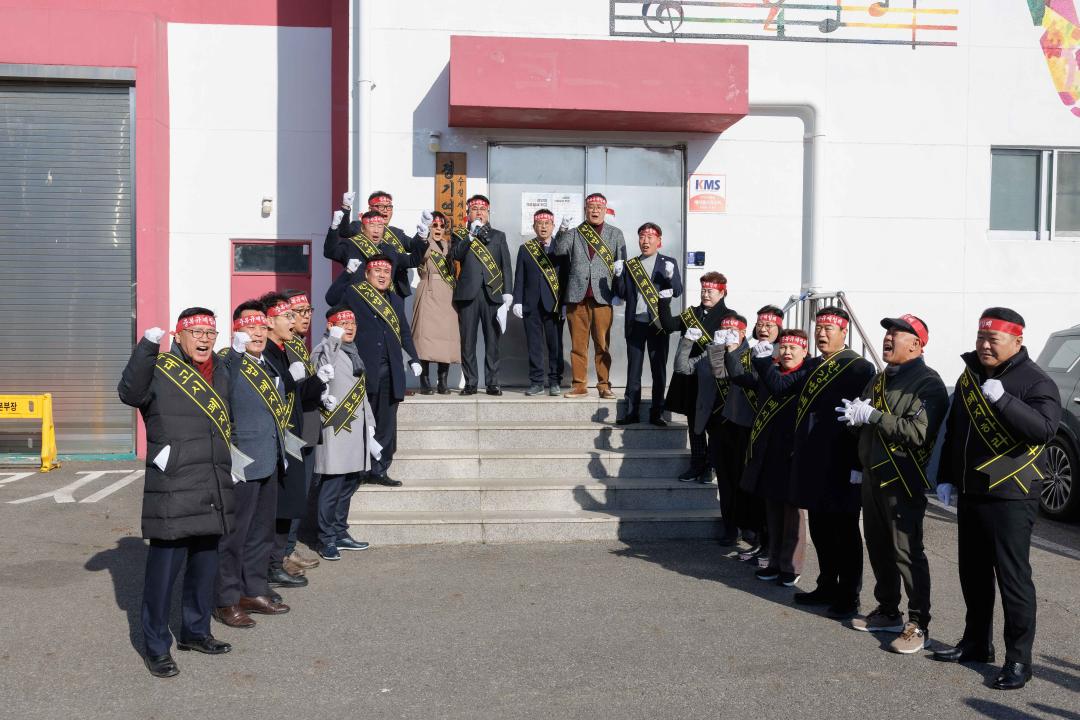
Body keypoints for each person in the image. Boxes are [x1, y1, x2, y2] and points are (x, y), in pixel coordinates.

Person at [931, 308, 1061, 690]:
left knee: (1012, 578)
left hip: (1011, 494)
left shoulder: (1036, 381)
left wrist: (1004, 401)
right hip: (971, 492)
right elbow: (955, 430)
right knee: (972, 572)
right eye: (980, 338)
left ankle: (1019, 659)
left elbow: (1044, 430)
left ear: (1017, 341)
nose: (984, 346)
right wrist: (945, 477)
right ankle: (975, 642)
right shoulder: (970, 374)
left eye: (993, 340)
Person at [118, 308, 236, 678]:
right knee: (162, 575)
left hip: (214, 483)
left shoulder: (221, 371)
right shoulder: (160, 368)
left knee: (204, 568)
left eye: (210, 333)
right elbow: (129, 392)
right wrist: (146, 347)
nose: (204, 339)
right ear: (178, 335)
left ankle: (195, 632)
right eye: (196, 331)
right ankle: (155, 647)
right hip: (175, 486)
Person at [754, 308, 876, 618]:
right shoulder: (813, 365)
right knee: (821, 529)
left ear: (843, 333)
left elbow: (859, 421)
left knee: (845, 532)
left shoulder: (858, 368)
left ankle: (849, 595)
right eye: (819, 327)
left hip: (841, 463)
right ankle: (826, 585)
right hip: (812, 463)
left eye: (828, 329)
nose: (822, 333)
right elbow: (781, 387)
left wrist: (856, 466)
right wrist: (762, 358)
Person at [837, 313, 948, 652]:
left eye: (898, 334)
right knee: (878, 544)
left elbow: (917, 432)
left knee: (906, 551)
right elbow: (867, 420)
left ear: (916, 344)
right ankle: (887, 611)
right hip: (873, 475)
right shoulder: (880, 379)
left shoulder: (929, 383)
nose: (888, 338)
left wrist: (872, 416)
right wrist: (857, 421)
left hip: (903, 478)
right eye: (887, 332)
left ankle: (918, 623)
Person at [213, 302, 291, 629]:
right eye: (250, 327)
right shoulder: (227, 363)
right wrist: (233, 354)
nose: (257, 333)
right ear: (237, 332)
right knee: (234, 535)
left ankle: (254, 589)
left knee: (261, 532)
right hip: (241, 462)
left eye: (262, 327)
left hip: (270, 458)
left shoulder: (268, 362)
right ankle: (226, 599)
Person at [258, 293, 329, 592]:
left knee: (292, 498)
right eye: (289, 315)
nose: (295, 319)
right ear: (269, 321)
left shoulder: (290, 347)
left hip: (296, 428)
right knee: (282, 502)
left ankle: (279, 558)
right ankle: (275, 562)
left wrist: (319, 383)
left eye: (298, 313)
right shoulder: (268, 351)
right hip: (281, 435)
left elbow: (299, 391)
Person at [339, 255, 422, 486]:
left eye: (387, 271)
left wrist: (413, 358)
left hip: (391, 370)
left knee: (386, 424)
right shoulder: (355, 293)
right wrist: (345, 275)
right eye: (378, 271)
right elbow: (332, 300)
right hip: (364, 369)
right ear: (367, 274)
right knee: (363, 420)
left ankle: (380, 469)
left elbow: (404, 331)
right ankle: (359, 469)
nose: (383, 275)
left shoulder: (395, 299)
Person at [743, 329, 810, 587]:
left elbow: (780, 389)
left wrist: (761, 363)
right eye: (783, 347)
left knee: (792, 514)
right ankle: (773, 561)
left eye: (794, 348)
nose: (787, 352)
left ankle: (791, 566)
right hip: (770, 451)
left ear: (804, 351)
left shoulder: (806, 373)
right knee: (772, 511)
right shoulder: (774, 371)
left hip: (793, 453)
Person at [311, 306, 379, 560]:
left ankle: (340, 532)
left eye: (352, 322)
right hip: (336, 428)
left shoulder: (353, 351)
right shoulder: (324, 348)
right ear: (329, 325)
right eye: (342, 322)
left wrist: (370, 422)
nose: (349, 327)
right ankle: (325, 538)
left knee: (348, 483)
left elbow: (360, 393)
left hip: (355, 429)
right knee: (332, 485)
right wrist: (333, 339)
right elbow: (322, 372)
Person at [720, 306, 782, 558]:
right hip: (737, 422)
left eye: (769, 325)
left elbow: (749, 380)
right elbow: (728, 375)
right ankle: (756, 539)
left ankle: (767, 544)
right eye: (761, 325)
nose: (764, 329)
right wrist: (727, 351)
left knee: (761, 490)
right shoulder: (751, 350)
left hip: (763, 428)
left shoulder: (780, 353)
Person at [553, 193, 627, 399]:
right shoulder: (575, 233)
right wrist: (562, 230)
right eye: (591, 207)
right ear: (585, 210)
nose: (595, 210)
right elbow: (558, 250)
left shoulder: (615, 234)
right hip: (577, 296)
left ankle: (604, 384)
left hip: (603, 297)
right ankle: (579, 385)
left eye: (599, 207)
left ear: (605, 210)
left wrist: (619, 292)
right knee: (578, 345)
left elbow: (622, 266)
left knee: (602, 344)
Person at [660, 271, 729, 482]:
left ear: (722, 293)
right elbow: (669, 326)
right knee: (694, 424)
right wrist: (663, 301)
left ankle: (711, 465)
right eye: (703, 290)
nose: (705, 294)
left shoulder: (729, 317)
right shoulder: (692, 314)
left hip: (712, 380)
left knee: (713, 425)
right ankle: (697, 463)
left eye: (710, 291)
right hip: (690, 378)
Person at [614, 222, 683, 425]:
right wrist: (618, 276)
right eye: (642, 237)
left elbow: (677, 290)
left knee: (658, 369)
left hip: (658, 323)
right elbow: (622, 294)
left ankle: (657, 413)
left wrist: (670, 277)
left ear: (659, 241)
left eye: (650, 237)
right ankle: (631, 411)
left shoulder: (667, 263)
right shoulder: (631, 265)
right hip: (636, 322)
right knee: (633, 369)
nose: (645, 241)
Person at [280, 290, 326, 574]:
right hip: (294, 428)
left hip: (308, 424)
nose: (306, 317)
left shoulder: (299, 344)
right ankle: (282, 552)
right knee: (293, 491)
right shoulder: (285, 347)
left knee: (301, 490)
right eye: (300, 312)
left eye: (309, 311)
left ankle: (288, 547)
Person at [449, 195, 514, 395]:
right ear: (468, 214)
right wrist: (470, 236)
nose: (479, 213)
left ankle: (492, 382)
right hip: (468, 295)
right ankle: (470, 382)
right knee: (467, 341)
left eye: (482, 209)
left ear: (488, 212)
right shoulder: (460, 235)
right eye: (474, 209)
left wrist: (508, 293)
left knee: (492, 341)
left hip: (492, 294)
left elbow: (506, 266)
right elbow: (455, 255)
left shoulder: (498, 235)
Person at [512, 208, 569, 397]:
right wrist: (517, 300)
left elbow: (565, 278)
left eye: (547, 223)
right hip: (530, 304)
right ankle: (536, 382)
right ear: (533, 226)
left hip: (553, 303)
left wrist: (565, 303)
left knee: (555, 346)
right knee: (534, 345)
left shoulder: (560, 248)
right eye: (539, 224)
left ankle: (554, 381)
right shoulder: (525, 249)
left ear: (553, 226)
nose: (543, 227)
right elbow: (519, 277)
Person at [411, 210, 461, 394]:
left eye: (441, 226)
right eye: (435, 225)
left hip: (448, 294)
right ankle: (425, 381)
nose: (438, 229)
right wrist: (422, 236)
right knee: (425, 338)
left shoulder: (450, 246)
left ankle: (443, 381)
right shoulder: (423, 243)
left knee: (445, 338)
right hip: (428, 291)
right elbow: (418, 254)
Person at [323, 193, 410, 292]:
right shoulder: (359, 226)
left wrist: (425, 235)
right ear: (370, 209)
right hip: (362, 285)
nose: (385, 210)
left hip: (393, 288)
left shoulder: (397, 233)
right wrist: (345, 209)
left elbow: (412, 251)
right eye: (381, 206)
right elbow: (344, 232)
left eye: (388, 207)